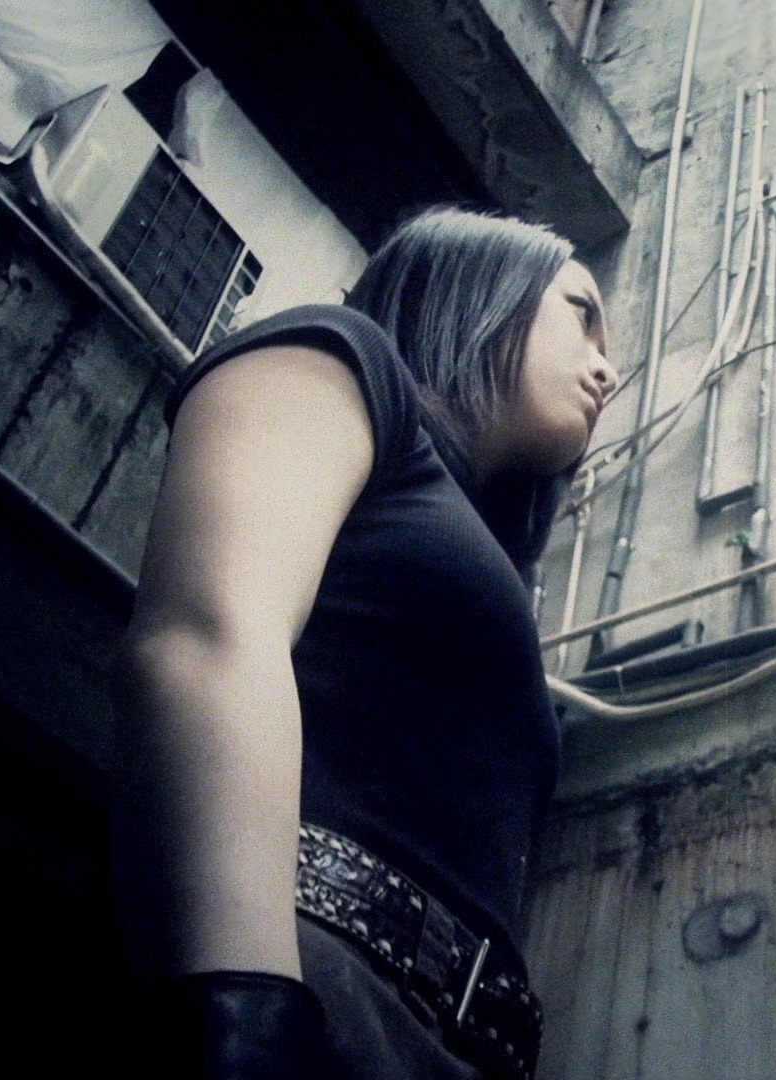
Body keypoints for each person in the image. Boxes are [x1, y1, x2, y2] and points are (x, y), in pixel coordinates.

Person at [112, 208, 616, 1079]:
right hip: (303, 985)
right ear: (482, 285)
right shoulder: (344, 359)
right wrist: (241, 1022)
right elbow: (206, 640)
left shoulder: (483, 549)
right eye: (582, 312)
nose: (607, 367)